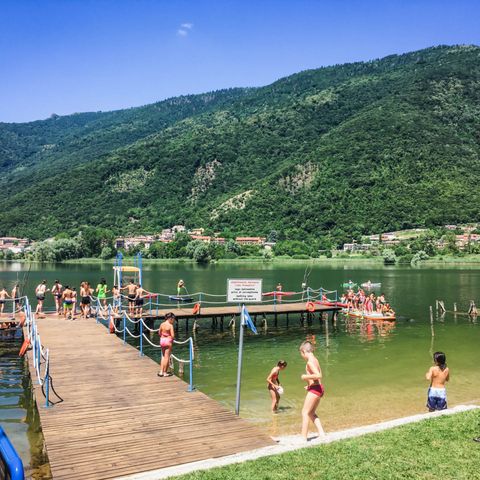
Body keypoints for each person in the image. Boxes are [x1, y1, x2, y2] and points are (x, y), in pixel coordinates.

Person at [300, 341, 325, 440]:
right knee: (311, 413)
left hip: (315, 389)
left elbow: (319, 375)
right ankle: (321, 433)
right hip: (318, 388)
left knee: (305, 412)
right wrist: (310, 386)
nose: (302, 356)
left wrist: (305, 377)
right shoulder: (315, 359)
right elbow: (318, 377)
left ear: (303, 351)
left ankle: (303, 438)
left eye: (301, 354)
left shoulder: (310, 362)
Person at [158, 312, 175, 377]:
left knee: (163, 356)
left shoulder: (162, 324)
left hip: (162, 340)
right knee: (167, 357)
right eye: (173, 319)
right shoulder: (170, 326)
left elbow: (159, 333)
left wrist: (163, 335)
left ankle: (161, 371)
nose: (173, 320)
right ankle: (165, 372)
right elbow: (173, 335)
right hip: (168, 341)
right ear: (170, 318)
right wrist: (171, 338)